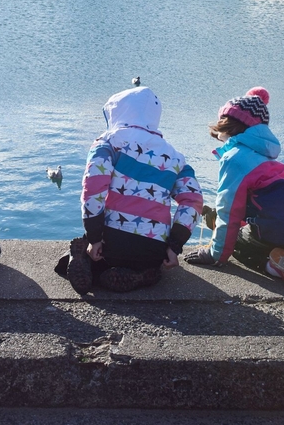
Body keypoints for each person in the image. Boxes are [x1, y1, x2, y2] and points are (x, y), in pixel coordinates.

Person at [184, 88, 284, 291]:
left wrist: (215, 254)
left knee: (239, 243)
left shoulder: (235, 158)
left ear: (229, 122)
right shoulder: (269, 159)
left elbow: (229, 212)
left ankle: (275, 266)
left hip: (281, 226)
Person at [60, 86, 203, 294]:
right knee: (150, 266)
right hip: (152, 247)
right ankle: (144, 274)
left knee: (93, 255)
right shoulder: (175, 158)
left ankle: (86, 262)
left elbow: (93, 189)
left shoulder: (108, 143)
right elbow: (193, 201)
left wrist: (94, 236)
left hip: (111, 239)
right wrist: (174, 245)